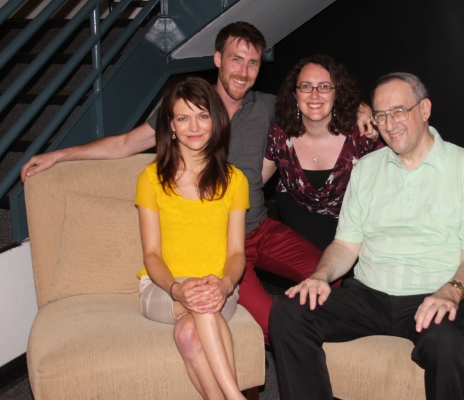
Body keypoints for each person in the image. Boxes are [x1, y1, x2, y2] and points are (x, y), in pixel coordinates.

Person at [20, 22, 374, 343]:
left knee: (329, 274)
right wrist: (60, 155)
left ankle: (314, 340)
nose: (244, 72)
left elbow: (315, 96)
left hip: (260, 227)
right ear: (217, 58)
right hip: (219, 247)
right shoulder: (186, 105)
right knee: (270, 323)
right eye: (236, 60)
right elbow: (127, 143)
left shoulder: (266, 106)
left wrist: (361, 108)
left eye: (253, 63)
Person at [269, 72, 464, 400]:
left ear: (424, 110)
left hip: (436, 293)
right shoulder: (365, 168)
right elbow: (346, 244)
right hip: (369, 296)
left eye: (399, 111)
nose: (389, 123)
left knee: (446, 339)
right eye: (381, 115)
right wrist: (320, 276)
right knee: (289, 311)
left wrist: (451, 292)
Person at [136, 76, 247, 399]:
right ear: (171, 125)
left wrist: (226, 284)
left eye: (202, 115)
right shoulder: (150, 178)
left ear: (215, 121)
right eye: (183, 118)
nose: (193, 126)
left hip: (218, 289)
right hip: (163, 289)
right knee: (198, 304)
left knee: (189, 332)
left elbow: (237, 253)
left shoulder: (235, 180)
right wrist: (177, 288)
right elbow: (152, 255)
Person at [262, 55, 383, 251]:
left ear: (337, 93)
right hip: (298, 232)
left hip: (352, 235)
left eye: (325, 86)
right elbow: (251, 183)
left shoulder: (361, 135)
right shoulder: (280, 135)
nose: (315, 95)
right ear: (294, 93)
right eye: (306, 86)